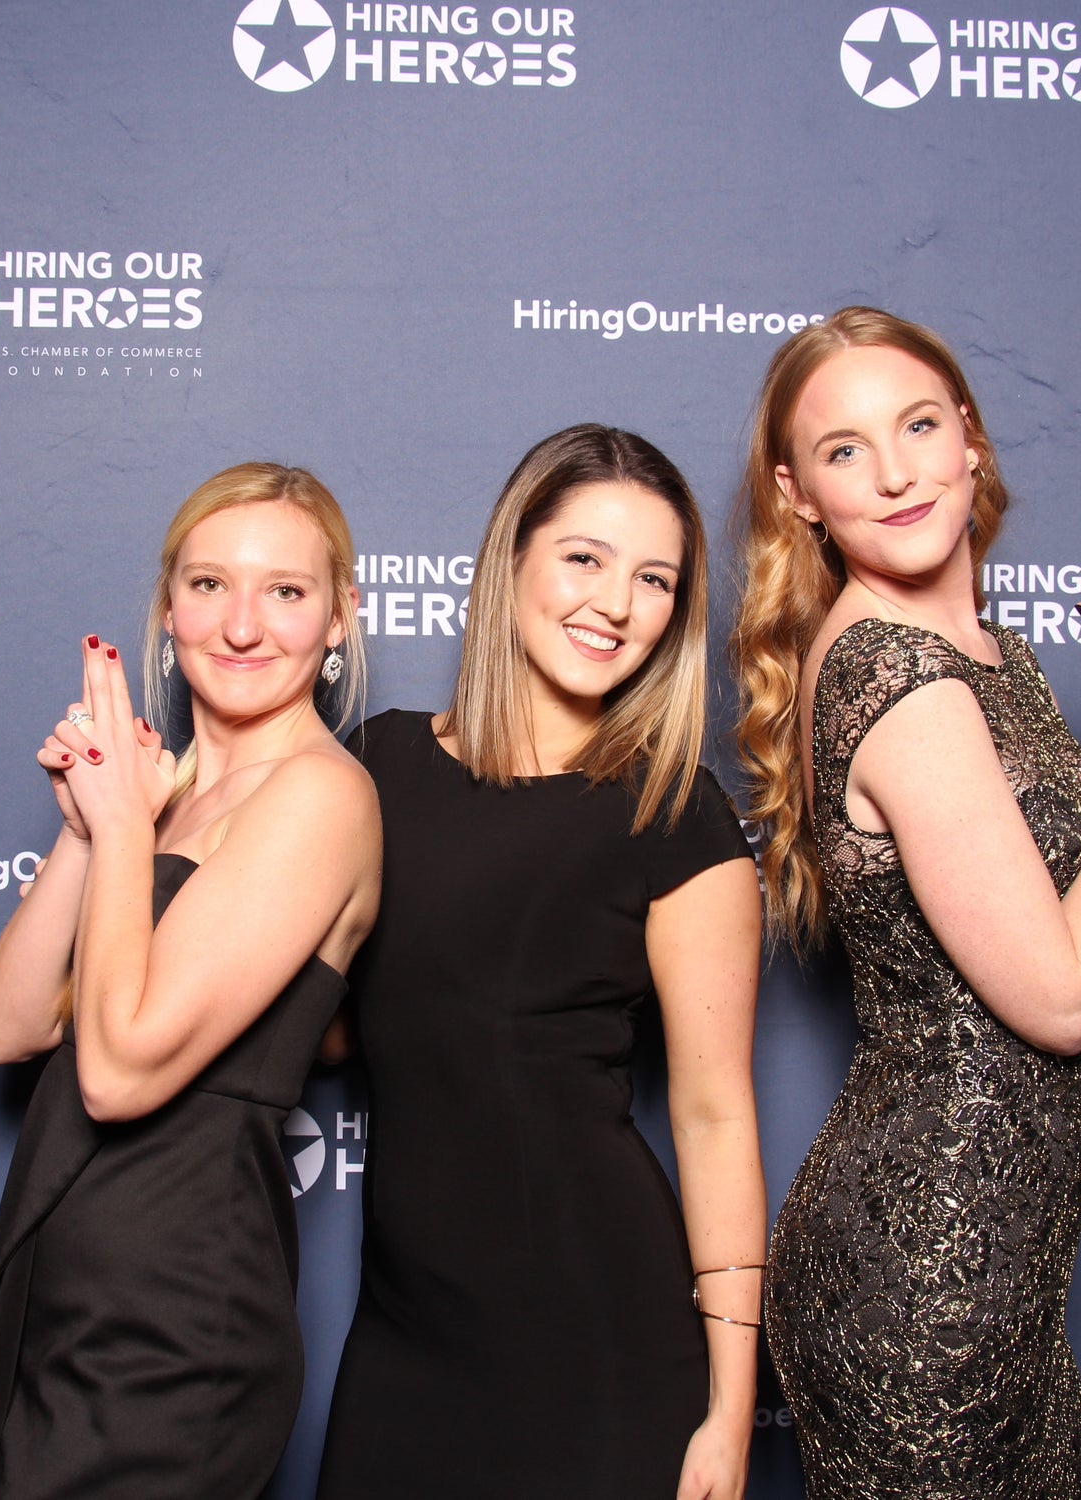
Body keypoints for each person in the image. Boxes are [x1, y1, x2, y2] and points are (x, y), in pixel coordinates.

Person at [730, 308, 1081, 1499]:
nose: (900, 470)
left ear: (970, 436)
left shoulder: (990, 655)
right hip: (922, 1284)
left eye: (919, 424)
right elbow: (1064, 1005)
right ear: (798, 494)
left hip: (1002, 1278)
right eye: (845, 449)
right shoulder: (892, 674)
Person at [315, 424, 765, 1500]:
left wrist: (732, 1411)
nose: (615, 602)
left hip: (601, 1337)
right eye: (584, 558)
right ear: (512, 556)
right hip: (406, 1337)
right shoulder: (372, 767)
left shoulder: (673, 811)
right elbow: (321, 1026)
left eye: (654, 579)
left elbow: (713, 1114)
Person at [0, 463, 382, 1500]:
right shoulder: (169, 791)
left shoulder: (321, 795)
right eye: (206, 585)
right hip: (56, 1284)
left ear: (337, 619)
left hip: (173, 1315)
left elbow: (119, 1072)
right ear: (167, 607)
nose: (241, 626)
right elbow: (7, 1030)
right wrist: (88, 829)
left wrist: (126, 825)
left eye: (285, 591)